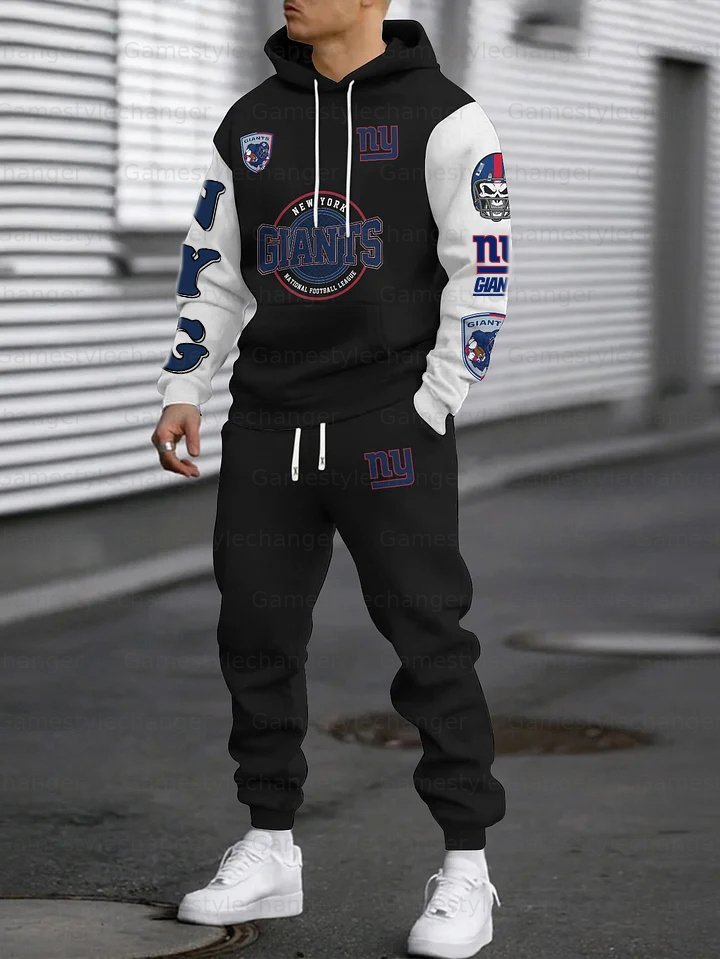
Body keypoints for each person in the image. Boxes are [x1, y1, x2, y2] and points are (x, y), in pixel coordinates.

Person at [152, 1, 511, 955]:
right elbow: (214, 268)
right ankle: (270, 846)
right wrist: (185, 386)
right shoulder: (250, 123)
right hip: (269, 424)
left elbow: (482, 265)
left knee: (429, 638)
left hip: (389, 424)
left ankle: (466, 868)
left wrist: (435, 400)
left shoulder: (446, 118)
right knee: (256, 634)